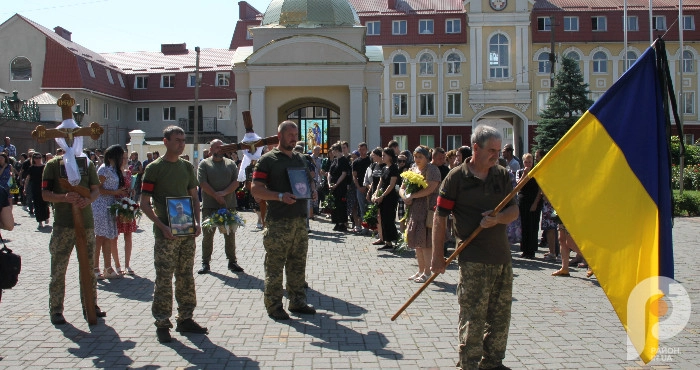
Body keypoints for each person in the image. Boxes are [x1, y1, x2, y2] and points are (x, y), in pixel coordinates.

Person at [431, 125, 519, 370]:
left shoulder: (501, 174)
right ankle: (468, 363)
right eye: (491, 150)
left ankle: (493, 362)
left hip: (502, 257)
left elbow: (513, 211)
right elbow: (440, 217)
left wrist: (497, 218)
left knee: (500, 317)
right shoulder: (457, 177)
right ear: (476, 148)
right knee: (473, 317)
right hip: (472, 259)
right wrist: (437, 257)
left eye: (499, 151)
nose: (496, 155)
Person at [141, 126, 207, 343]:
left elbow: (194, 198)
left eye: (183, 140)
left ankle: (185, 318)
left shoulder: (187, 167)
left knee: (186, 275)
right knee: (164, 278)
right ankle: (162, 322)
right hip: (166, 235)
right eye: (177, 140)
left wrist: (197, 222)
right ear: (165, 141)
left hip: (186, 232)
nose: (181, 143)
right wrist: (162, 226)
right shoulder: (154, 169)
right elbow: (144, 204)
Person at [251, 120, 318, 321]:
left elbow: (307, 181)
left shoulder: (300, 159)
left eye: (295, 134)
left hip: (299, 220)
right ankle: (274, 305)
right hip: (278, 221)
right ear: (279, 135)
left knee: (298, 264)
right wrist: (280, 196)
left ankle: (297, 301)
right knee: (275, 265)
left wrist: (312, 191)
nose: (293, 138)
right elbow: (256, 189)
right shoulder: (268, 160)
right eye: (290, 134)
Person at [42, 142, 107, 325]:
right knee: (58, 269)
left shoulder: (87, 164)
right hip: (63, 225)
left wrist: (88, 200)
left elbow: (95, 190)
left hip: (86, 225)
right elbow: (45, 194)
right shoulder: (53, 165)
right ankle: (56, 309)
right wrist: (63, 198)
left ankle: (90, 306)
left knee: (88, 268)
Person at [197, 139, 242, 274]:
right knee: (207, 236)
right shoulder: (204, 164)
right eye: (216, 148)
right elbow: (202, 183)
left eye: (221, 148)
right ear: (210, 150)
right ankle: (205, 263)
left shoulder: (231, 164)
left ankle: (232, 262)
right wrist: (216, 196)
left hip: (228, 205)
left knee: (229, 234)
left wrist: (223, 193)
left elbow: (237, 182)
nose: (219, 150)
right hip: (209, 206)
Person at [400, 145, 441, 281]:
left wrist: (412, 196)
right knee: (418, 243)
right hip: (414, 210)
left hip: (427, 209)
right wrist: (405, 196)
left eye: (420, 157)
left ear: (427, 158)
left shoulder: (432, 169)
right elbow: (402, 187)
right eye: (416, 156)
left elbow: (430, 188)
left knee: (426, 243)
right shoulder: (412, 169)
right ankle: (421, 270)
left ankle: (428, 273)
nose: (417, 159)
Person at [93, 145, 129, 279]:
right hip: (100, 205)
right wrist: (114, 192)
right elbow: (97, 188)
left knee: (108, 236)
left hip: (110, 204)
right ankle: (95, 267)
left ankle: (108, 267)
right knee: (100, 237)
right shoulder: (104, 169)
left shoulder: (114, 169)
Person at [372, 147, 400, 250]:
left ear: (390, 156)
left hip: (389, 197)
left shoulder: (394, 168)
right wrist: (375, 193)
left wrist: (382, 196)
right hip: (382, 196)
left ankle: (392, 241)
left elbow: (391, 185)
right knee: (382, 218)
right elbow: (381, 182)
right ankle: (386, 240)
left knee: (389, 218)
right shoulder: (384, 168)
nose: (382, 157)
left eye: (384, 155)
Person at [516, 153, 542, 259]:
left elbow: (540, 189)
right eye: (526, 162)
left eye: (530, 162)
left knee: (533, 226)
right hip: (523, 201)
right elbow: (518, 186)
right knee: (524, 225)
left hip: (534, 201)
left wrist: (535, 203)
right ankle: (524, 250)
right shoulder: (520, 172)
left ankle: (531, 251)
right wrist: (524, 174)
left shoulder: (537, 172)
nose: (528, 164)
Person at [116, 150, 138, 275]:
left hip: (127, 206)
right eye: (123, 157)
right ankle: (117, 265)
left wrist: (132, 191)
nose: (125, 160)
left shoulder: (129, 173)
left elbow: (131, 188)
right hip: (116, 205)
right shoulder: (114, 173)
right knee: (115, 236)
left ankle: (127, 264)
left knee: (128, 235)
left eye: (126, 157)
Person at [327, 142, 350, 231]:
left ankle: (342, 223)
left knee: (341, 204)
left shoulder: (344, 160)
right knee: (334, 204)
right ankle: (336, 222)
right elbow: (329, 172)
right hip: (333, 185)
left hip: (340, 186)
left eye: (333, 150)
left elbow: (344, 174)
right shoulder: (334, 160)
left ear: (337, 150)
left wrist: (336, 184)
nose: (332, 152)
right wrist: (329, 183)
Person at [25, 152, 50, 228]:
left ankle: (46, 216)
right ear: (34, 159)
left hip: (44, 187)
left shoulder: (45, 166)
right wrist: (25, 188)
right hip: (35, 187)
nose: (39, 159)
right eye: (37, 158)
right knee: (37, 204)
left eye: (40, 158)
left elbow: (49, 177)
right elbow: (28, 178)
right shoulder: (31, 168)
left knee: (45, 203)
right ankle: (40, 221)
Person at [352, 143, 371, 234]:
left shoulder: (370, 160)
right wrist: (359, 187)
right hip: (360, 188)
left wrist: (368, 187)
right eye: (360, 150)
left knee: (371, 207)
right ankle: (365, 227)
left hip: (370, 187)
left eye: (363, 149)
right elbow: (354, 176)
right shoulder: (356, 162)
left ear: (367, 149)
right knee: (362, 208)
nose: (362, 151)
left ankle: (374, 228)